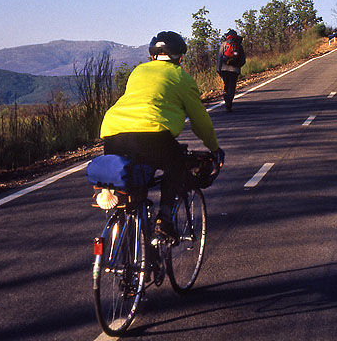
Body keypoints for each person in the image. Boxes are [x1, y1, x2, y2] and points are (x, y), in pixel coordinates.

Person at [100, 31, 224, 240]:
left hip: (113, 133)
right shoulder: (181, 77)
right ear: (180, 57)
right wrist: (214, 148)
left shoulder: (138, 72)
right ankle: (163, 220)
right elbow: (200, 121)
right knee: (176, 165)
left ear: (152, 57)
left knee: (133, 186)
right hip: (152, 135)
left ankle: (127, 242)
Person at [217, 29, 246, 112]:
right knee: (232, 87)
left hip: (224, 69)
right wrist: (237, 66)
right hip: (235, 70)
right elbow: (243, 60)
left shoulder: (224, 44)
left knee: (226, 85)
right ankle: (229, 104)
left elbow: (219, 57)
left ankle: (226, 101)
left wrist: (218, 69)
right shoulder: (239, 45)